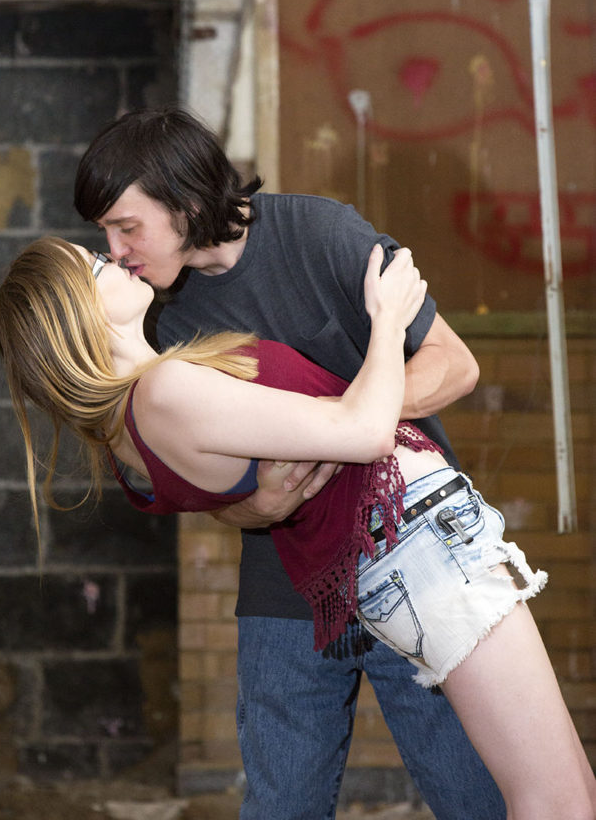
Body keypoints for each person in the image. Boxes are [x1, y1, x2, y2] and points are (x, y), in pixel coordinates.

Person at [0, 233, 596, 820]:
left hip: (405, 545)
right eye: (96, 262)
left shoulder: (132, 423)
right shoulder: (161, 392)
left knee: (567, 792)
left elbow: (266, 481)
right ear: (77, 315)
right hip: (415, 540)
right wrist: (387, 322)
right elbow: (364, 432)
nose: (115, 254)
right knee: (559, 800)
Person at [71, 107, 504, 820]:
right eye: (103, 234)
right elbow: (223, 490)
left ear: (184, 203)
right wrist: (256, 503)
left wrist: (334, 429)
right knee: (280, 805)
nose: (115, 250)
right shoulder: (157, 316)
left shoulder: (320, 232)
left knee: (474, 795)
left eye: (125, 226)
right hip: (285, 585)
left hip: (407, 548)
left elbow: (453, 365)